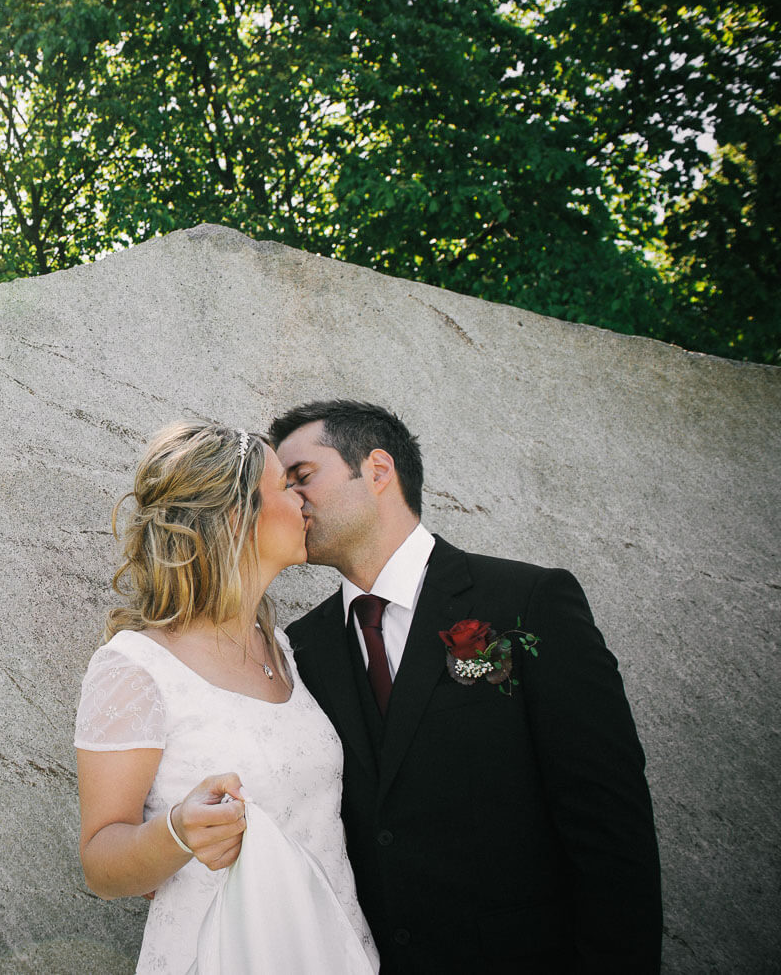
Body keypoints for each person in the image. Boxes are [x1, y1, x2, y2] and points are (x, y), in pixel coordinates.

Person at [268, 399, 662, 974]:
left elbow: (608, 822)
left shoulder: (527, 602)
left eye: (302, 477)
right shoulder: (302, 647)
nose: (290, 501)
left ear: (378, 470)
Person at [74, 420, 378, 974]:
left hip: (331, 951)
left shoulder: (284, 649)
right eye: (288, 485)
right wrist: (175, 834)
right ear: (237, 517)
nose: (306, 498)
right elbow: (100, 860)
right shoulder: (135, 668)